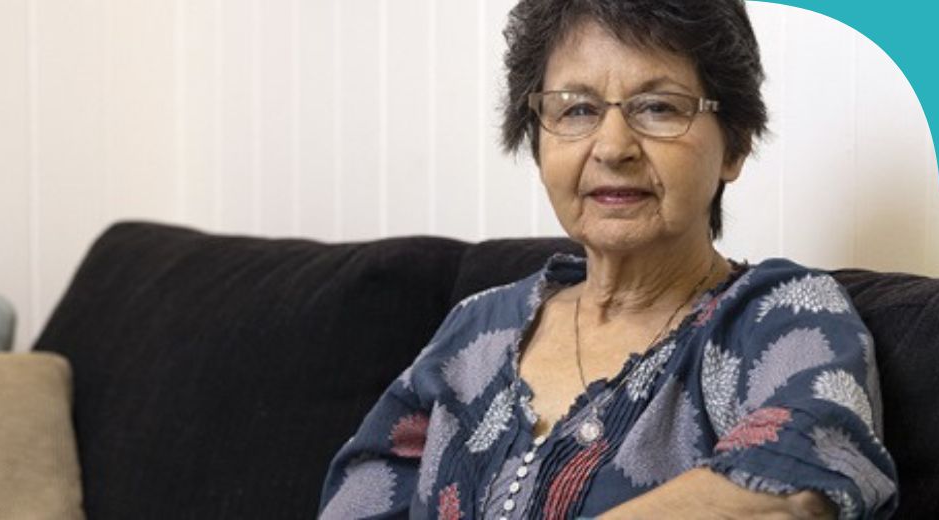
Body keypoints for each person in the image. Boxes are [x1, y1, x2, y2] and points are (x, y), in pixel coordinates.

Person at [318, 0, 897, 518]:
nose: (613, 146)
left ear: (735, 144)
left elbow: (791, 488)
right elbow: (363, 496)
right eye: (576, 110)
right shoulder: (476, 330)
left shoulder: (778, 318)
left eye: (659, 108)